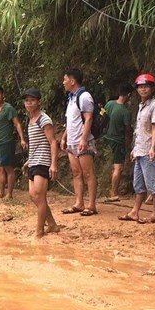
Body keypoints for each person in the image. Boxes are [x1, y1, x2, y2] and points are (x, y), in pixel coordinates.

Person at [118, 73, 155, 224]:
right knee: (138, 184)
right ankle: (134, 212)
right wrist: (135, 148)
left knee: (153, 183)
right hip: (140, 150)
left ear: (152, 88)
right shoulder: (141, 106)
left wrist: (153, 148)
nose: (143, 89)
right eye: (140, 87)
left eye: (146, 87)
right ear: (137, 89)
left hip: (149, 151)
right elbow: (140, 130)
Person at [60, 67, 98, 216]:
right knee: (76, 172)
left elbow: (89, 118)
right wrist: (64, 137)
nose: (63, 82)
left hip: (83, 141)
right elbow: (71, 121)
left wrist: (83, 138)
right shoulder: (71, 98)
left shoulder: (84, 96)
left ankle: (92, 205)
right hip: (72, 141)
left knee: (88, 173)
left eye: (65, 79)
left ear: (72, 81)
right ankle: (79, 202)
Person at [23, 88, 59, 237]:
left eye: (32, 100)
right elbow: (35, 144)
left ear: (39, 102)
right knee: (34, 196)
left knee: (39, 196)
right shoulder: (31, 121)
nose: (29, 103)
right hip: (33, 162)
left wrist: (53, 164)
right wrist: (28, 161)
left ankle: (39, 231)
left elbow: (53, 142)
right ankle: (52, 224)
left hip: (43, 162)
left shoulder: (44, 119)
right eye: (27, 101)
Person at [0, 85, 26, 199]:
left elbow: (17, 124)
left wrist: (22, 139)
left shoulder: (8, 108)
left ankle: (9, 193)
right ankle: (1, 192)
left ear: (3, 95)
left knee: (8, 168)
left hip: (7, 142)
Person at [103, 83, 133, 202]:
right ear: (128, 95)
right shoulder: (126, 112)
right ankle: (114, 193)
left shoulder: (109, 104)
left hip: (107, 138)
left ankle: (108, 191)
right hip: (118, 141)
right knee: (118, 167)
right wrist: (129, 142)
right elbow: (127, 130)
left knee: (110, 165)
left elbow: (103, 118)